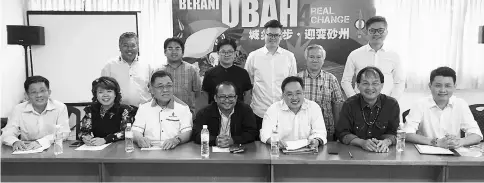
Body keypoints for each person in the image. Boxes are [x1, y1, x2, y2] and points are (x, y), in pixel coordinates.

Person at [403, 67, 483, 148]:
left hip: (453, 153)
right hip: (426, 153)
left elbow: (477, 135)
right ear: (430, 86)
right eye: (438, 85)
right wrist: (436, 142)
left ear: (454, 86)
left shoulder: (460, 104)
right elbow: (406, 133)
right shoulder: (420, 104)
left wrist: (459, 142)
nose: (443, 90)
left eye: (448, 86)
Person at [245, 19, 297, 132]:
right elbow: (248, 84)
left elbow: (293, 85)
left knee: (282, 145)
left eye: (276, 35)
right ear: (264, 34)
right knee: (258, 146)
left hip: (283, 111)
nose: (273, 38)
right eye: (270, 35)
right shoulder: (253, 56)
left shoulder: (289, 57)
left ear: (281, 36)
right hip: (259, 112)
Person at [335, 67, 400, 153]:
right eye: (365, 83)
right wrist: (361, 142)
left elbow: (394, 133)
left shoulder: (391, 104)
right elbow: (342, 133)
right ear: (358, 85)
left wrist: (385, 142)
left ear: (382, 85)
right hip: (354, 152)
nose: (370, 87)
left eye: (375, 83)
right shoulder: (349, 104)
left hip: (382, 152)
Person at [341, 16, 405, 100]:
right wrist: (355, 100)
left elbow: (399, 82)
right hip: (360, 104)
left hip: (385, 103)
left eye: (380, 30)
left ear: (386, 32)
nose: (377, 34)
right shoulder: (355, 54)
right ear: (366, 32)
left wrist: (392, 101)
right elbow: (345, 81)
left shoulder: (394, 55)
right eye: (372, 30)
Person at [1, 76, 70, 151]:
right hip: (27, 149)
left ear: (49, 92)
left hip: (53, 149)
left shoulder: (60, 107)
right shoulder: (18, 109)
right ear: (26, 95)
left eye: (42, 91)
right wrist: (15, 142)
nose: (39, 95)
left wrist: (41, 142)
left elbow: (63, 132)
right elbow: (8, 132)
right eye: (34, 92)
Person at [260, 76, 327, 149]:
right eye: (289, 94)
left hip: (308, 153)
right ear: (283, 95)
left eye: (298, 93)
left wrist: (316, 140)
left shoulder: (313, 107)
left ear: (303, 92)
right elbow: (265, 133)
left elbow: (320, 132)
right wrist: (274, 141)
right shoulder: (273, 109)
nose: (294, 98)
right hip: (281, 152)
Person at [132, 70, 192, 150]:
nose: (165, 90)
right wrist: (139, 139)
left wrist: (176, 140)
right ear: (152, 90)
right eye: (160, 86)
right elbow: (136, 130)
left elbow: (187, 132)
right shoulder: (144, 107)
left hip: (175, 150)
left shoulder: (183, 108)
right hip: (148, 150)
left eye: (169, 86)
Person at [297, 44, 345, 141]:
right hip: (301, 130)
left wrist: (338, 129)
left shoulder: (331, 79)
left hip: (326, 129)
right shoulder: (297, 79)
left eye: (319, 57)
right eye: (311, 57)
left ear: (323, 60)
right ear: (306, 59)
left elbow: (338, 104)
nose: (315, 60)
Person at [193, 81, 257, 147]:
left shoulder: (245, 110)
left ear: (236, 98)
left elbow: (252, 133)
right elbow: (196, 134)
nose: (227, 100)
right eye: (222, 96)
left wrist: (233, 140)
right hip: (212, 153)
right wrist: (214, 140)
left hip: (238, 152)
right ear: (215, 98)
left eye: (231, 96)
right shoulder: (204, 112)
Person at [78, 77, 137, 146]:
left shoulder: (125, 110)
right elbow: (83, 131)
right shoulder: (91, 110)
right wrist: (85, 137)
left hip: (120, 148)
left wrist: (105, 140)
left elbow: (126, 132)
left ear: (115, 94)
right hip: (98, 149)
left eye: (109, 91)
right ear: (96, 95)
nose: (105, 95)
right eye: (100, 92)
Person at [101, 32, 152, 107]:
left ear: (138, 47)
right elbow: (103, 91)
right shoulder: (109, 66)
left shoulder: (147, 65)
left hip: (143, 111)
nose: (129, 49)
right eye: (125, 45)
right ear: (119, 47)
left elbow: (154, 89)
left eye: (133, 45)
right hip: (118, 112)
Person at [154, 37, 201, 113]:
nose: (174, 51)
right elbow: (154, 93)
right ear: (165, 52)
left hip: (187, 113)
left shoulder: (192, 70)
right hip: (163, 113)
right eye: (170, 48)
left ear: (182, 52)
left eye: (177, 48)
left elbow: (197, 93)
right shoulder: (158, 71)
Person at [202, 38, 252, 105]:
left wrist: (245, 111)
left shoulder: (243, 73)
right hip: (215, 113)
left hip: (238, 113)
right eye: (223, 52)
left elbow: (247, 95)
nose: (226, 54)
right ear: (218, 53)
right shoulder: (209, 74)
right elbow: (205, 96)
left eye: (230, 51)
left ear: (235, 53)